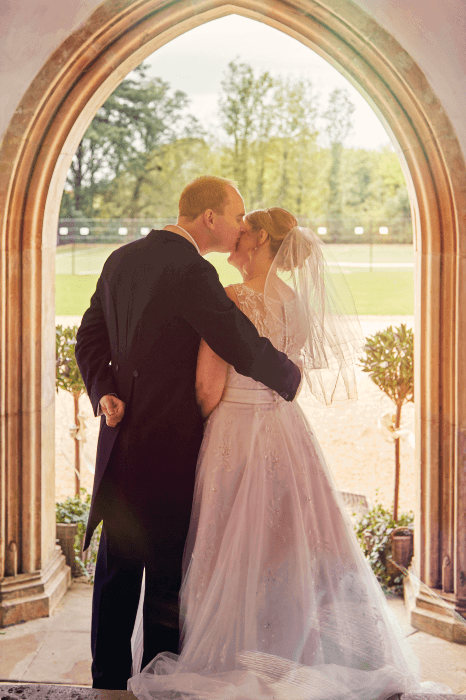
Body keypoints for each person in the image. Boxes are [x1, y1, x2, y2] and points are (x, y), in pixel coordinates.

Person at [128, 208, 446, 700]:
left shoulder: (233, 297)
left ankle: (232, 653)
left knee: (227, 544)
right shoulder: (297, 303)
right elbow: (289, 373)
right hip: (285, 429)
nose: (234, 235)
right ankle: (289, 647)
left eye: (242, 229)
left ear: (254, 239)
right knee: (285, 547)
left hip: (234, 428)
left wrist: (192, 424)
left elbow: (208, 386)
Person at [74, 179, 302, 690]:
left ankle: (107, 683)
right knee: (166, 574)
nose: (244, 225)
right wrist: (287, 377)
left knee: (116, 570)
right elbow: (234, 335)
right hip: (171, 443)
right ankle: (160, 683)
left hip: (119, 442)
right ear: (210, 219)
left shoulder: (120, 258)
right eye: (237, 215)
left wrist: (103, 390)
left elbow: (88, 336)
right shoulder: (192, 270)